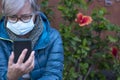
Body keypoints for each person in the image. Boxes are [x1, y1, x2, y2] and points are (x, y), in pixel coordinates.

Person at [0, 0, 64, 80]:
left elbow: (54, 75)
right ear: (6, 16)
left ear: (36, 14)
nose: (19, 22)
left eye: (25, 17)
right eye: (13, 17)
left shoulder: (53, 38)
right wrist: (10, 77)